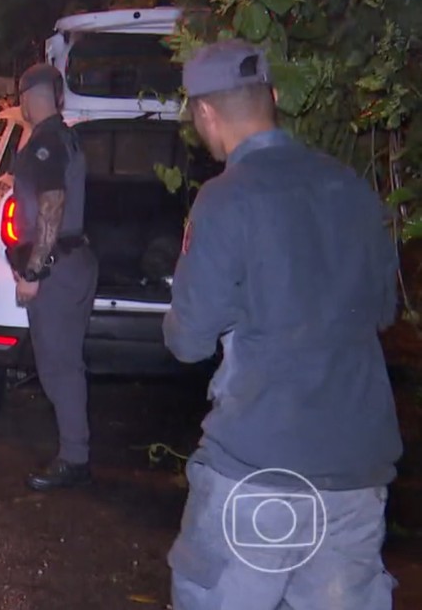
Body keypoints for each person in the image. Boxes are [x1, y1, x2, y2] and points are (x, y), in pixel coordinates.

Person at [163, 39, 400, 609]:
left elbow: (189, 341)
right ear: (272, 97)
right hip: (355, 472)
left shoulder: (225, 200)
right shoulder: (351, 188)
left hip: (261, 472)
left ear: (206, 114)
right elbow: (383, 312)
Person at [9, 63, 99, 491]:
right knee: (66, 364)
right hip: (74, 261)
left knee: (60, 368)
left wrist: (33, 270)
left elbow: (51, 206)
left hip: (57, 268)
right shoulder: (66, 137)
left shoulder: (46, 143)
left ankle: (73, 458)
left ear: (28, 97)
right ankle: (74, 450)